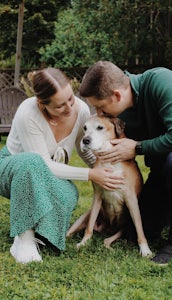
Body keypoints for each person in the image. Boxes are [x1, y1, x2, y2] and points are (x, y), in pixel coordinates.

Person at [79, 60, 172, 265]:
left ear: (117, 95)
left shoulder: (162, 82)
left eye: (100, 107)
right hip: (164, 170)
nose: (99, 114)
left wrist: (137, 147)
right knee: (138, 232)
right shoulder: (120, 112)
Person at [0, 67, 124, 264]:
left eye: (71, 99)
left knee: (69, 192)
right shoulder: (28, 113)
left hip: (46, 172)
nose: (68, 108)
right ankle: (23, 237)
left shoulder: (81, 110)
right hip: (12, 169)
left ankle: (43, 233)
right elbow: (44, 165)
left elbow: (84, 150)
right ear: (42, 103)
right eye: (59, 106)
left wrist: (107, 170)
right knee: (32, 162)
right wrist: (92, 174)